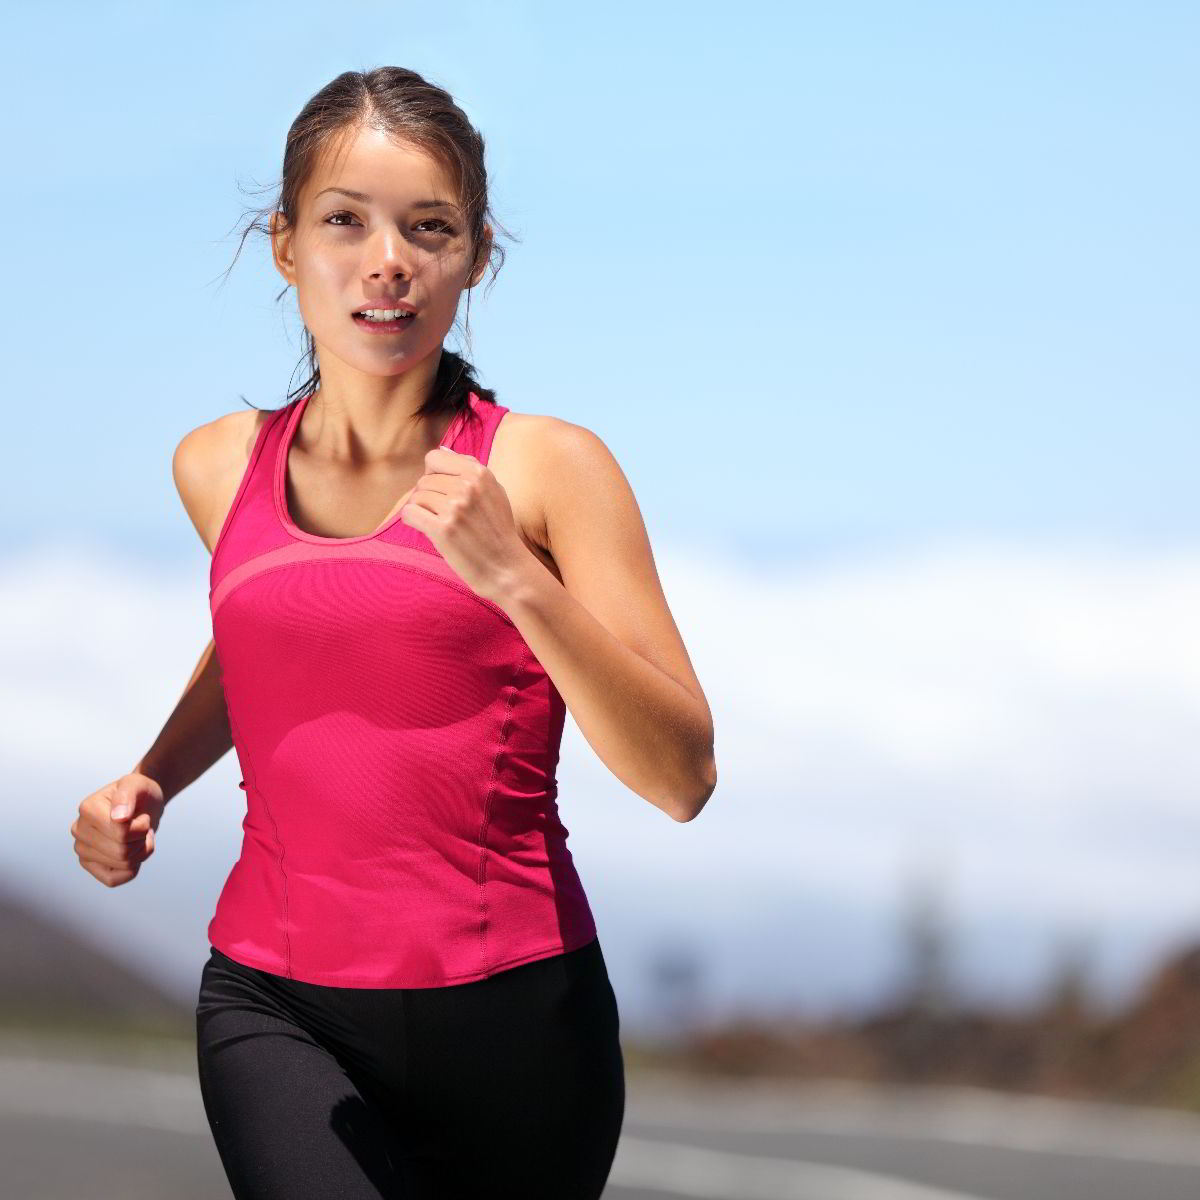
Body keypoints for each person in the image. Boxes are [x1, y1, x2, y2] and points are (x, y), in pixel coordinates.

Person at [69, 65, 717, 1199]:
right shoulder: (219, 466)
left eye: (430, 228)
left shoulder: (548, 468)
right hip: (275, 1001)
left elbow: (683, 775)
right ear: (284, 246)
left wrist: (518, 580)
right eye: (344, 221)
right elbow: (268, 643)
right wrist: (153, 778)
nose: (388, 262)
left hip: (518, 1023)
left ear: (475, 256)